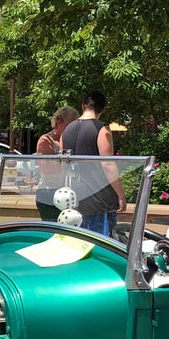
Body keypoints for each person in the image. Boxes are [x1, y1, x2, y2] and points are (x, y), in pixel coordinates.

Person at [60, 91, 127, 236]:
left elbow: (63, 162)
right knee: (102, 245)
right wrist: (121, 195)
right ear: (103, 109)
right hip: (99, 199)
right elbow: (108, 165)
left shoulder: (67, 130)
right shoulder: (102, 129)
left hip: (75, 197)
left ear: (83, 105)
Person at [35, 105, 79, 220]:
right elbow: (46, 168)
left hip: (67, 193)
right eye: (70, 125)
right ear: (58, 122)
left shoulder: (70, 140)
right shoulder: (46, 140)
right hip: (48, 192)